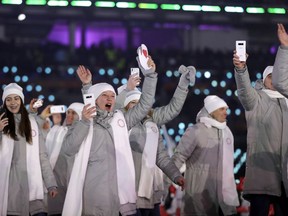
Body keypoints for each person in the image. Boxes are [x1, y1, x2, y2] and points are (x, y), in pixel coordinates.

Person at [61, 53, 158, 216]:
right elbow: (68, 149)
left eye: (112, 96)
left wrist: (150, 75)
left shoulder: (121, 119)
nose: (110, 99)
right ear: (96, 100)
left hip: (123, 198)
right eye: (105, 95)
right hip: (96, 197)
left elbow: (145, 103)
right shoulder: (85, 121)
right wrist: (84, 121)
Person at [116, 64, 195, 216]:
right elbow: (114, 111)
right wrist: (127, 88)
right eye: (133, 103)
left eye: (141, 104)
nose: (139, 108)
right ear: (125, 107)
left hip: (151, 193)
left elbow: (161, 157)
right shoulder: (120, 124)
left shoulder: (151, 124)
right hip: (128, 193)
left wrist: (176, 175)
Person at [233, 38, 288, 216]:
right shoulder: (256, 98)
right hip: (261, 174)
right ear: (264, 80)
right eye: (272, 77)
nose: (275, 80)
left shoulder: (287, 102)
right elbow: (244, 91)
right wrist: (241, 69)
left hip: (285, 177)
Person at [172, 95, 239, 216]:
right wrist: (173, 177)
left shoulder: (227, 132)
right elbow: (179, 156)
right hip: (199, 192)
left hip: (224, 195)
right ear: (212, 110)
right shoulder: (195, 131)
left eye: (226, 109)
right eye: (222, 109)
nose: (226, 112)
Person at [0, 83, 58, 216]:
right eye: (8, 99)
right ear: (4, 103)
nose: (13, 102)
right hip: (11, 194)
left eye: (16, 98)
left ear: (21, 100)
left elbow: (42, 156)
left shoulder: (32, 123)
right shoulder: (1, 123)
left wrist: (51, 184)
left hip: (34, 193)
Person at [46, 102, 84, 216]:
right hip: (57, 186)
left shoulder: (83, 135)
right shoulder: (59, 131)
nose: (69, 116)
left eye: (74, 113)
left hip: (74, 184)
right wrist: (56, 125)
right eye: (68, 112)